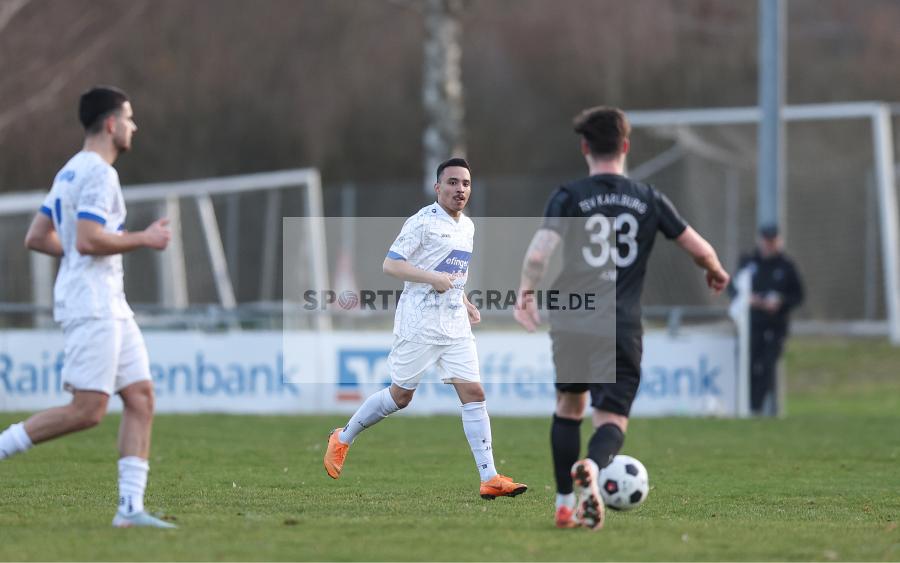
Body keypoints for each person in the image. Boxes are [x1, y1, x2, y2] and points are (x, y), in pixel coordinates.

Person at [514, 106, 730, 530]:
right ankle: (593, 468)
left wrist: (526, 292)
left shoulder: (569, 195)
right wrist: (715, 269)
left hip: (573, 318)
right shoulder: (649, 199)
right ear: (625, 146)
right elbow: (698, 247)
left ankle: (562, 504)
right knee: (611, 419)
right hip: (620, 322)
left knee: (569, 405)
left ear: (585, 148)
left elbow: (539, 253)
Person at [0, 86, 174, 528]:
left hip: (108, 302)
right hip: (93, 304)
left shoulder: (70, 171)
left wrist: (78, 258)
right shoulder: (99, 173)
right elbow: (89, 239)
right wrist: (145, 238)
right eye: (130, 118)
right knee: (87, 410)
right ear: (112, 124)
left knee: (140, 397)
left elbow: (37, 236)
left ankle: (130, 511)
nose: (134, 126)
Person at [324, 157, 527, 500]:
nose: (459, 189)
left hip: (454, 325)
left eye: (465, 183)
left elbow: (453, 273)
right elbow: (391, 264)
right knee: (400, 397)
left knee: (475, 393)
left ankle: (490, 477)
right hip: (418, 323)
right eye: (451, 182)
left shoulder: (469, 227)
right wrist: (432, 279)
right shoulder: (422, 222)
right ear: (438, 188)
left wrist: (464, 301)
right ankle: (342, 438)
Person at [737, 224, 804, 415]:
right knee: (749, 364)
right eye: (766, 241)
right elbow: (734, 288)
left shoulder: (787, 266)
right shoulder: (748, 262)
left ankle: (758, 408)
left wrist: (780, 302)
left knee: (767, 366)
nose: (769, 245)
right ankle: (748, 406)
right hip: (752, 325)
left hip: (775, 326)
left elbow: (798, 295)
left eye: (773, 241)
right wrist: (749, 299)